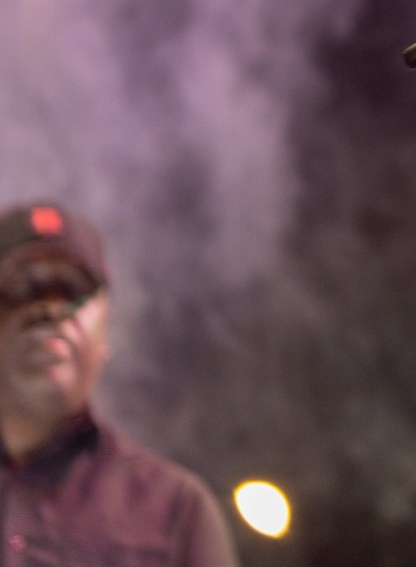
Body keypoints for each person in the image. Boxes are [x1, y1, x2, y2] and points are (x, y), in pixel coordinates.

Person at [0, 201, 239, 566]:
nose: (49, 308)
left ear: (105, 330)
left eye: (72, 290)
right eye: (25, 287)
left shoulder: (177, 512)